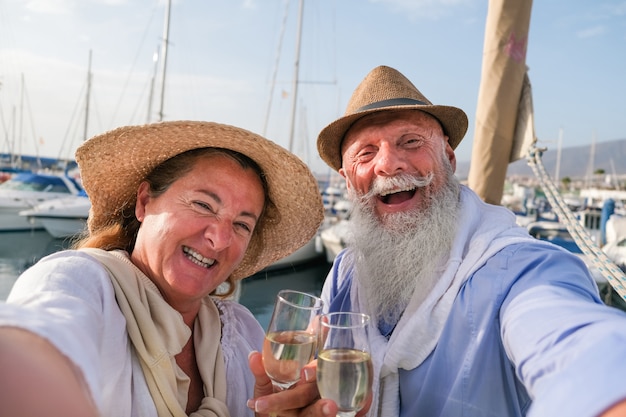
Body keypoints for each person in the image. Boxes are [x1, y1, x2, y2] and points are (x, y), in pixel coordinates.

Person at [247, 66, 626, 417]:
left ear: (448, 157)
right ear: (348, 181)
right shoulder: (345, 274)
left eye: (410, 141)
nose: (388, 164)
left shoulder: (518, 270)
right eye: (366, 152)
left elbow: (581, 348)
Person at [0, 120, 324, 417]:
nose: (220, 238)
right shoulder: (81, 283)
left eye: (241, 224)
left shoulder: (241, 331)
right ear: (144, 202)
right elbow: (33, 343)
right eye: (203, 205)